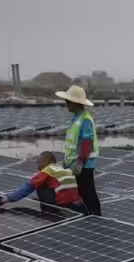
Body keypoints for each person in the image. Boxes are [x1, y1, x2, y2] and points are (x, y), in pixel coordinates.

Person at [0, 151, 88, 215]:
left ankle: (49, 212)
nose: (38, 164)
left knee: (38, 185)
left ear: (48, 161)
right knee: (51, 184)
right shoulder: (64, 169)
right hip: (80, 207)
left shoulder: (46, 171)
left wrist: (3, 201)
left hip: (64, 208)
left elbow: (25, 190)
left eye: (39, 161)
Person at [55, 84, 102, 216]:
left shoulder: (85, 119)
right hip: (75, 164)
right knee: (81, 193)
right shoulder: (76, 117)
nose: (66, 104)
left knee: (88, 194)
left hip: (84, 165)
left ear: (76, 103)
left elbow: (86, 142)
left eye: (68, 101)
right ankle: (89, 216)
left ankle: (96, 217)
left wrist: (80, 163)